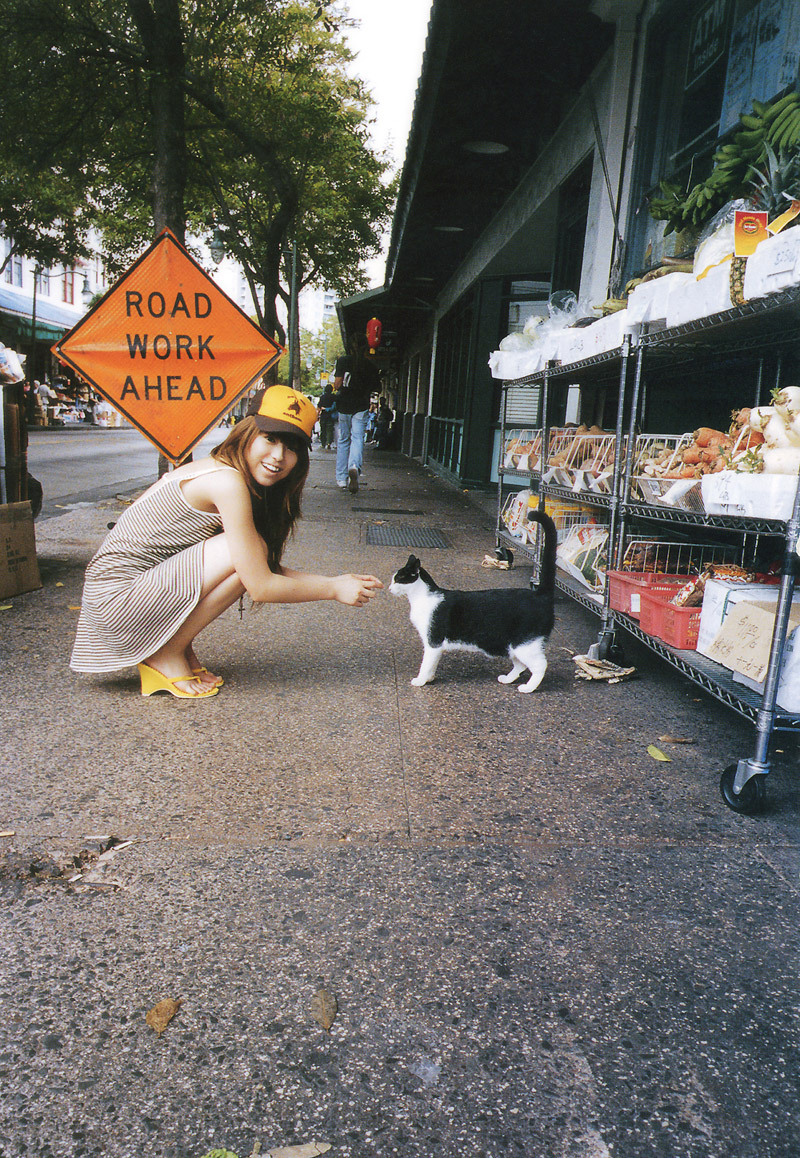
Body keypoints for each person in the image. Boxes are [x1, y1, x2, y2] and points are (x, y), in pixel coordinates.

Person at [69, 384, 383, 699]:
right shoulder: (227, 483)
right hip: (116, 599)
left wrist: (336, 580)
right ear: (245, 432)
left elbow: (260, 569)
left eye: (292, 447)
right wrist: (332, 589)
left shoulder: (226, 471)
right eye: (270, 439)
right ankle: (166, 651)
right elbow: (261, 584)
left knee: (250, 555)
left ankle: (174, 645)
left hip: (125, 594)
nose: (278, 456)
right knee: (250, 554)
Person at [333, 333, 380, 493]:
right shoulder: (370, 365)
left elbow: (338, 384)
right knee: (358, 438)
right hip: (361, 405)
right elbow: (376, 388)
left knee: (344, 440)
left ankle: (341, 478)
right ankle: (354, 466)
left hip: (344, 405)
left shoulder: (343, 361)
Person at [317, 383, 337, 450]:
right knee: (330, 430)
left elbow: (319, 407)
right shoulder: (334, 397)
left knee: (323, 430)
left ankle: (323, 443)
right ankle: (329, 443)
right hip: (331, 415)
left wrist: (317, 415)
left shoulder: (322, 397)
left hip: (323, 415)